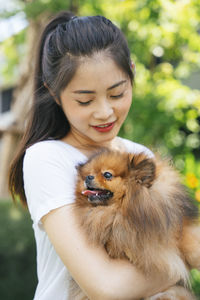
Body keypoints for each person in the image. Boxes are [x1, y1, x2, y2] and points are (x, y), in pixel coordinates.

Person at [9, 11, 179, 300]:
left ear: (132, 74)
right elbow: (106, 288)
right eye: (85, 100)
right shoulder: (47, 158)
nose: (104, 112)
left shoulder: (140, 156)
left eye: (116, 94)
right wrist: (179, 263)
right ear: (54, 92)